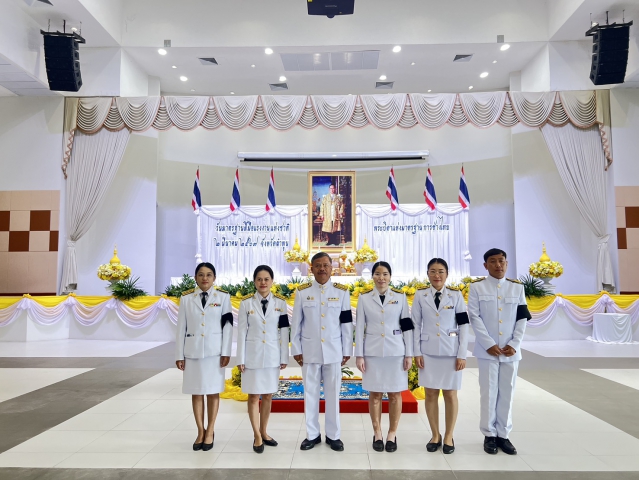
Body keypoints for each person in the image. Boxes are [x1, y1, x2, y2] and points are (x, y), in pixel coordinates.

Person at [468, 248, 531, 455]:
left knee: (507, 392)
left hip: (511, 351)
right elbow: (474, 317)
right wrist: (488, 343)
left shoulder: (517, 288)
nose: (498, 265)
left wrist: (515, 343)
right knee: (488, 392)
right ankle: (489, 434)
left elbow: (522, 317)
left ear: (506, 263)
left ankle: (504, 434)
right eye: (493, 261)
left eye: (501, 261)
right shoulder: (477, 288)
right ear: (485, 265)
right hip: (487, 351)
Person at [291, 251, 353, 451]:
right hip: (309, 351)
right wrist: (296, 348)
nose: (322, 269)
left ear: (331, 268)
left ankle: (334, 436)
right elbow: (296, 323)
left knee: (333, 394)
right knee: (310, 393)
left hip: (334, 351)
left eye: (326, 265)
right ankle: (312, 434)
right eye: (318, 265)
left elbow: (346, 323)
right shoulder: (302, 292)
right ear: (311, 269)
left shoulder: (342, 292)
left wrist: (346, 348)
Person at [412, 258, 469, 454]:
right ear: (427, 274)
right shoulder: (420, 295)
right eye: (433, 271)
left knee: (451, 394)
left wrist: (462, 354)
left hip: (451, 352)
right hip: (428, 352)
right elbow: (415, 325)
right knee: (430, 394)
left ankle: (449, 436)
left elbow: (463, 325)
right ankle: (435, 435)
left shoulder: (456, 295)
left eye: (441, 271)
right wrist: (416, 352)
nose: (437, 275)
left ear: (447, 274)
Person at [354, 261, 413, 453]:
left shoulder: (400, 297)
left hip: (396, 351)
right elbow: (359, 327)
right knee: (375, 394)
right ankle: (377, 432)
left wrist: (409, 353)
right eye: (378, 274)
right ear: (372, 276)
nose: (381, 278)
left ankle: (392, 434)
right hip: (372, 352)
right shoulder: (364, 298)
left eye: (385, 274)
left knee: (395, 394)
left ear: (390, 276)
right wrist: (359, 355)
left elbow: (407, 326)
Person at [175, 262, 233, 451]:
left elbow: (228, 326)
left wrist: (226, 351)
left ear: (214, 278)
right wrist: (179, 354)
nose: (205, 278)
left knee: (213, 391)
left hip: (214, 352)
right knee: (197, 391)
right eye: (201, 274)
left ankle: (211, 430)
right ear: (195, 278)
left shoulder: (223, 297)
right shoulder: (186, 298)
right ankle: (200, 431)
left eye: (209, 275)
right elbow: (181, 328)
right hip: (192, 352)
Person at [236, 265, 290, 454]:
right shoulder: (246, 304)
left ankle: (264, 431)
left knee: (268, 395)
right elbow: (241, 332)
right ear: (254, 281)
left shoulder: (280, 303)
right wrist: (240, 358)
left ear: (272, 281)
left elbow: (284, 331)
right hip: (252, 355)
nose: (263, 282)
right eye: (259, 279)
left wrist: (284, 356)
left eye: (266, 279)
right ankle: (256, 435)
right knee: (253, 396)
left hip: (272, 356)